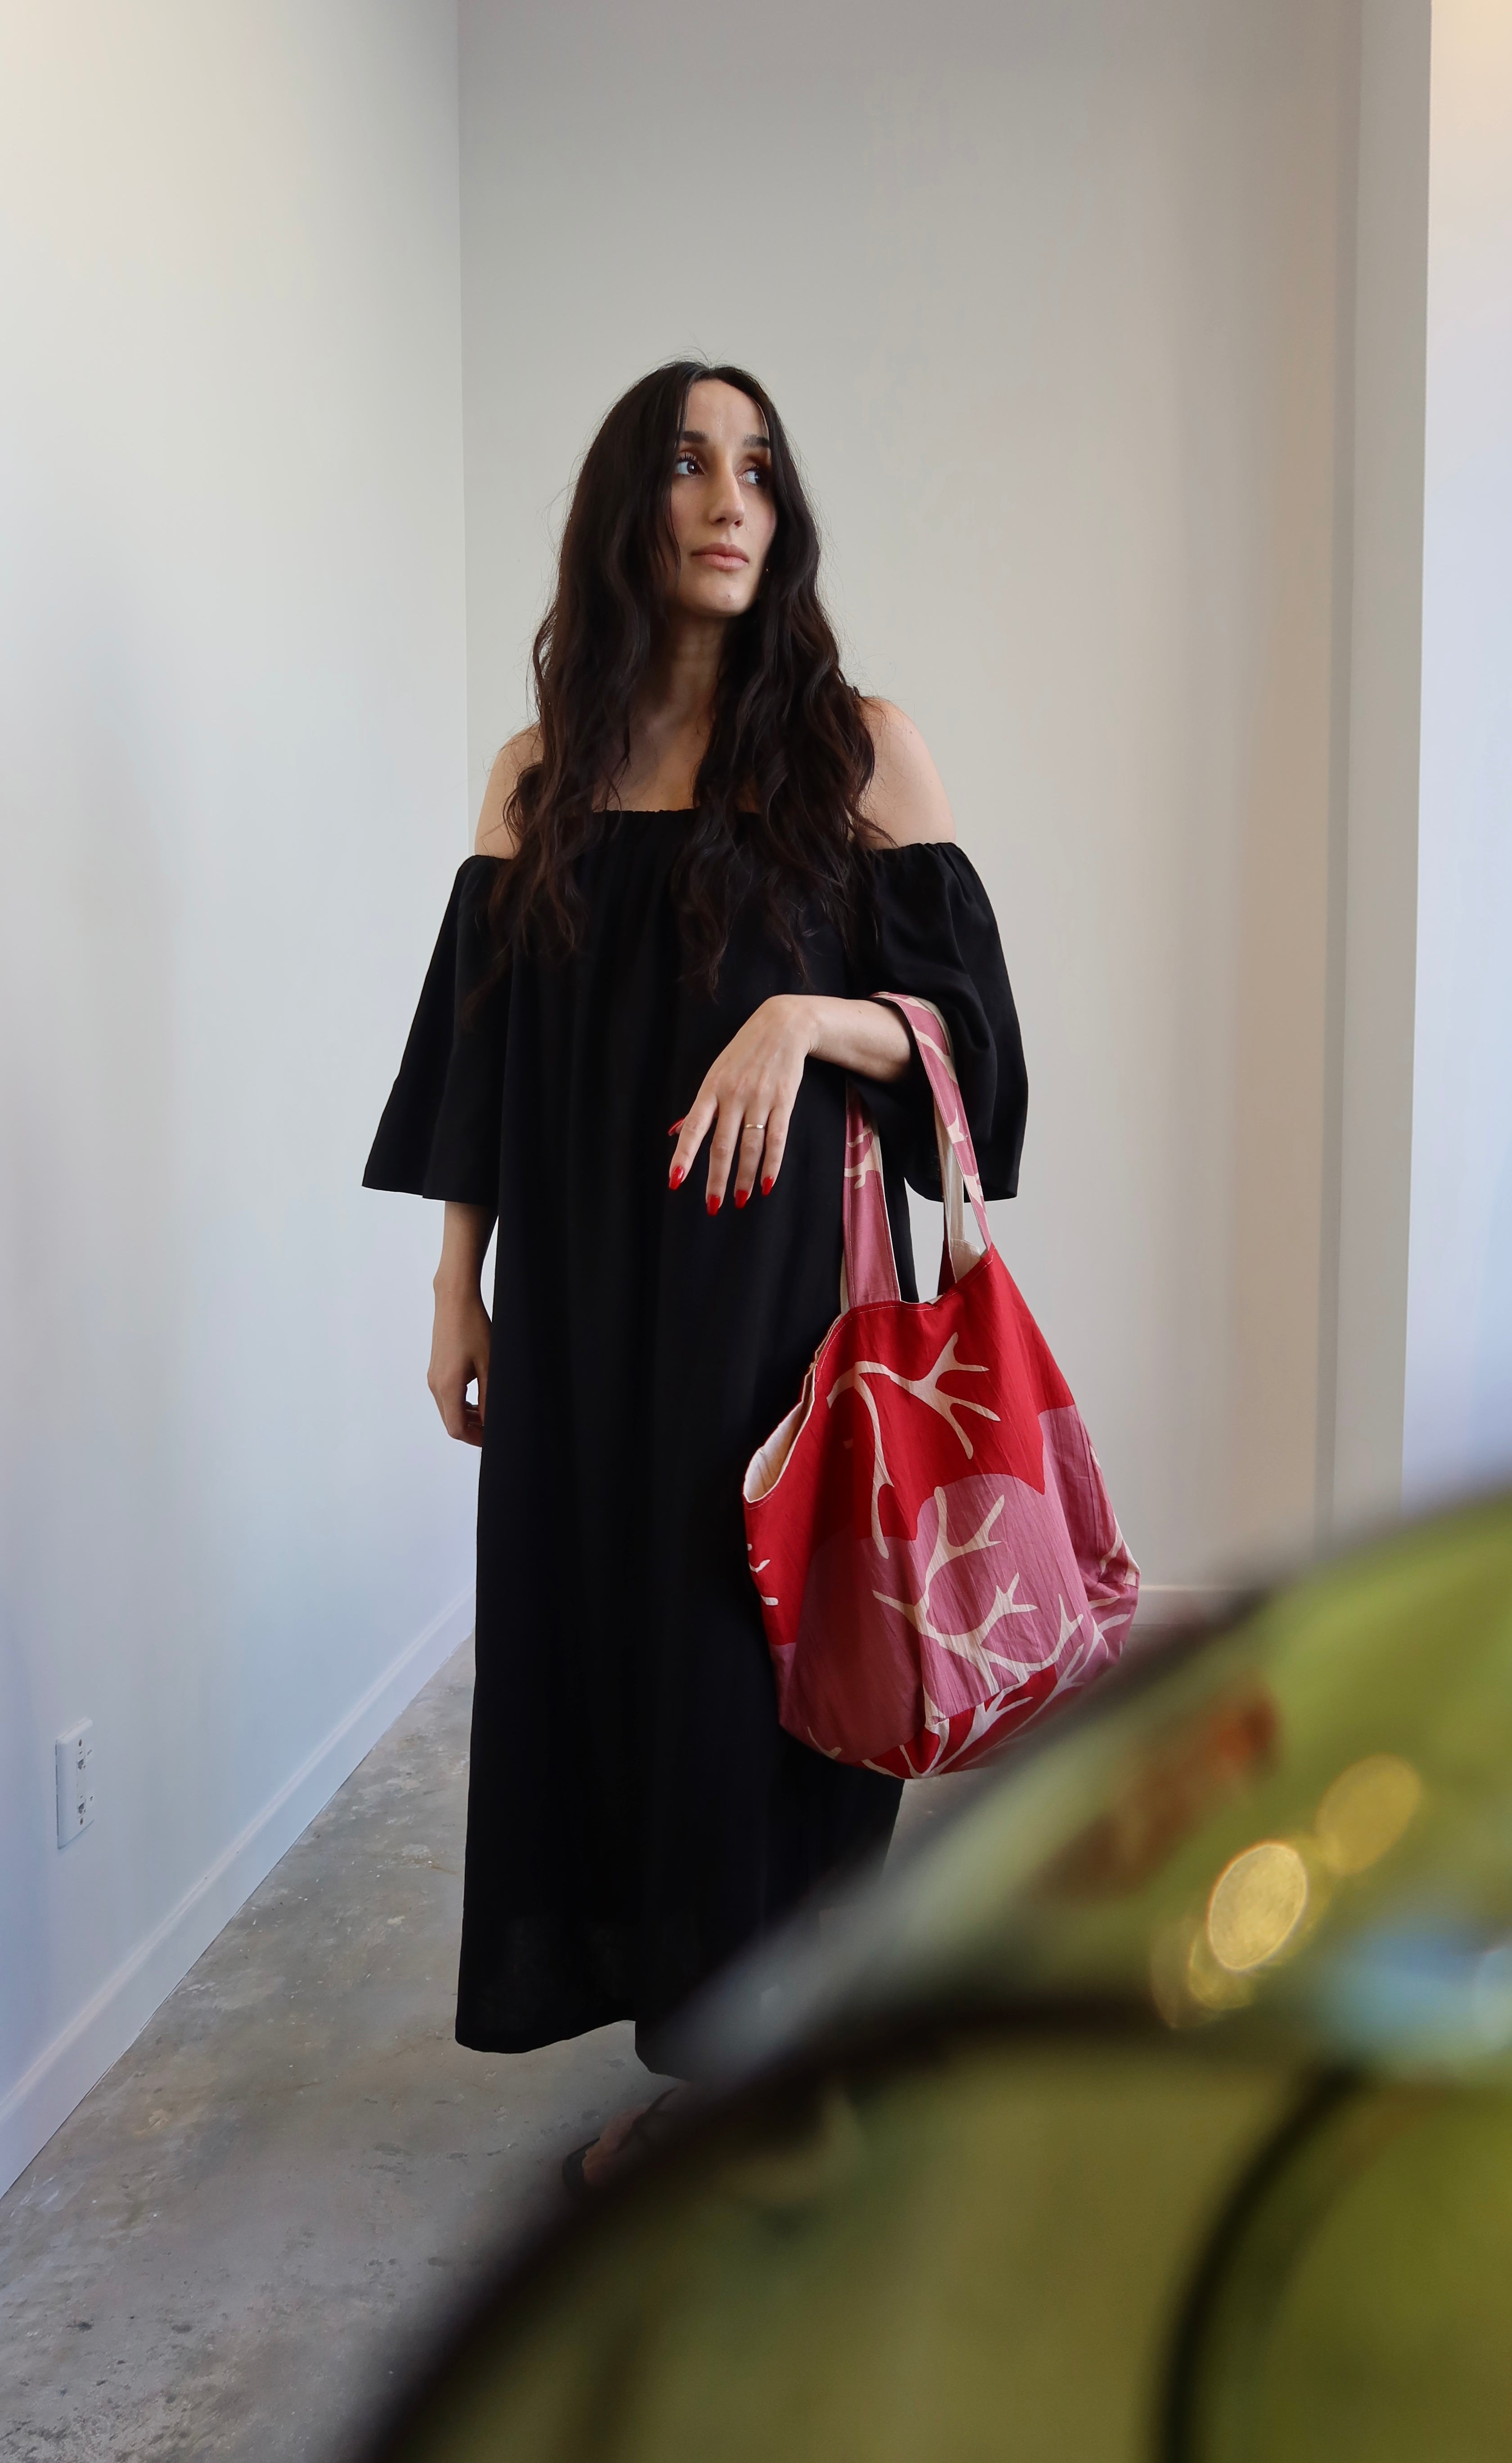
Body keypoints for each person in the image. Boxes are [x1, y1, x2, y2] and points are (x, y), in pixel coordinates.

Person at [365, 361, 1026, 2185]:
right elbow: (481, 1055)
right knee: (617, 1666)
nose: (730, 499)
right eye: (687, 463)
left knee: (765, 1681)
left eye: (758, 468)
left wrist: (805, 1020)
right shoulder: (542, 775)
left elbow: (978, 1041)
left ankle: (783, 2080)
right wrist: (455, 1288)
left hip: (777, 1322)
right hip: (581, 1312)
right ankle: (714, 2056)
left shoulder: (853, 748)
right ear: (624, 509)